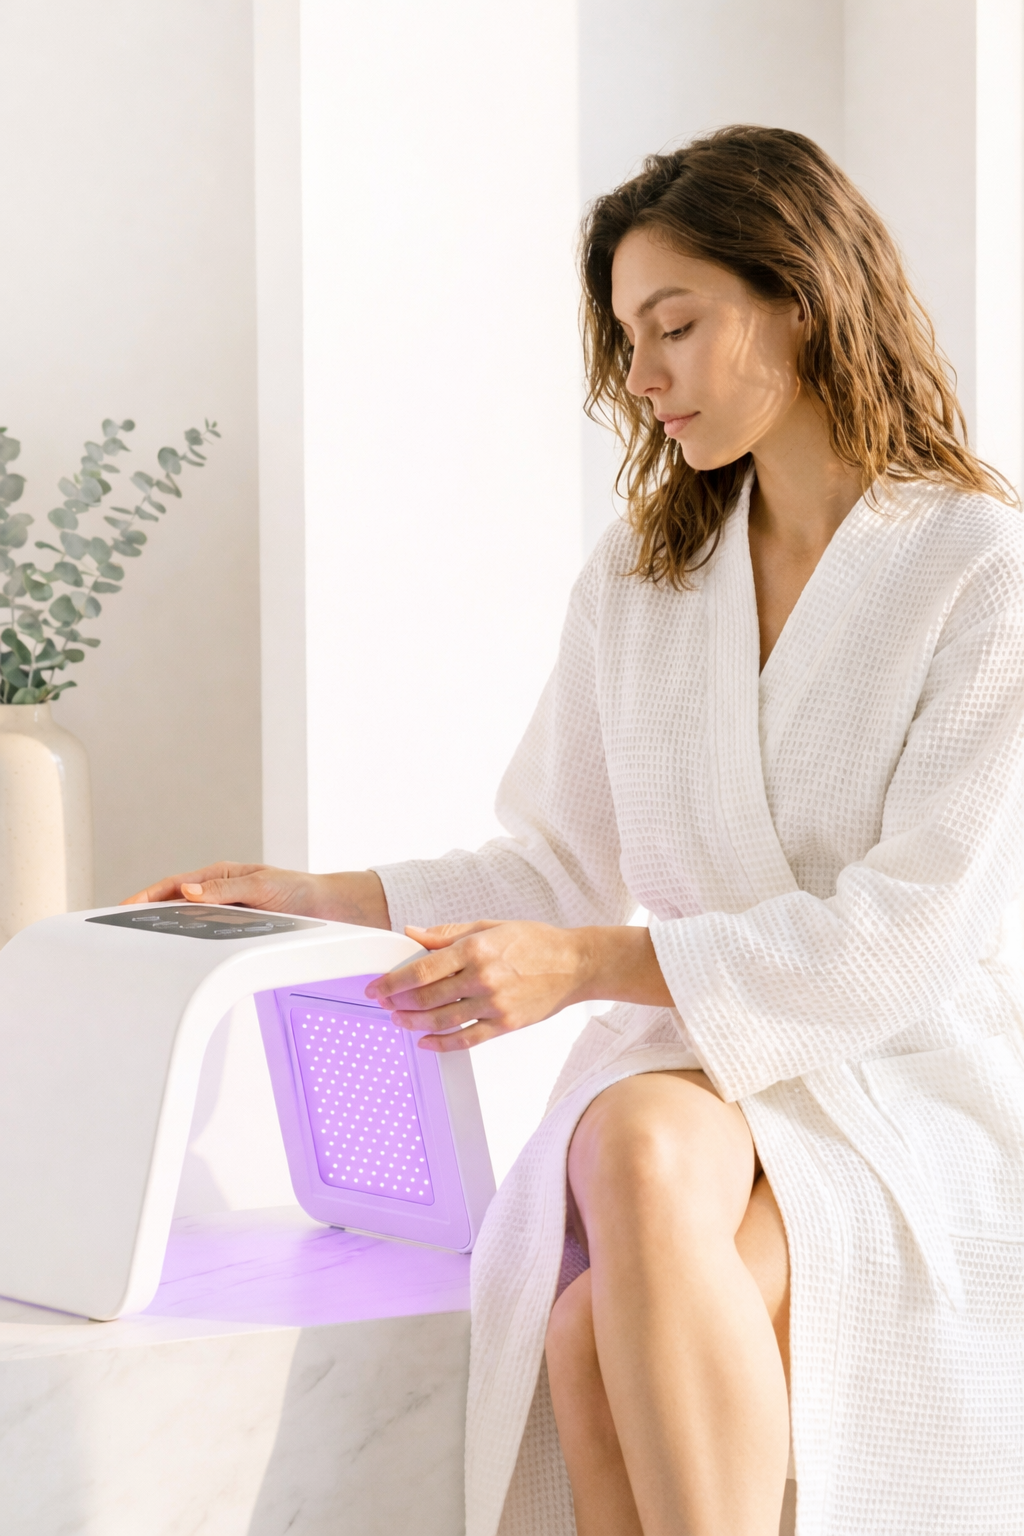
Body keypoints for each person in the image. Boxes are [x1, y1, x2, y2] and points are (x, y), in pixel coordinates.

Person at [128, 127, 1024, 1536]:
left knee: (590, 1334)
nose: (644, 375)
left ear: (801, 300)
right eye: (628, 337)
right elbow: (555, 864)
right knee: (631, 1149)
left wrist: (585, 968)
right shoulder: (646, 573)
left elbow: (906, 935)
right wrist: (315, 894)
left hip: (907, 1071)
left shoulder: (979, 569)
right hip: (697, 1057)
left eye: (678, 324)